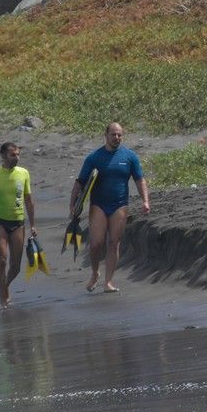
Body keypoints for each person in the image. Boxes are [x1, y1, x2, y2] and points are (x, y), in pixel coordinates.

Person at [70, 122, 149, 293]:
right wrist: (73, 205)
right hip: (98, 204)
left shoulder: (130, 156)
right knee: (97, 243)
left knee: (114, 243)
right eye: (113, 134)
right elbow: (80, 183)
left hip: (119, 204)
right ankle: (94, 273)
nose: (117, 138)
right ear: (106, 135)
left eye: (119, 134)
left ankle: (108, 282)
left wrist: (145, 201)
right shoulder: (94, 158)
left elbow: (139, 180)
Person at [0, 142, 36, 308]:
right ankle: (4, 298)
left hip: (18, 223)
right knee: (2, 260)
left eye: (18, 154)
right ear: (3, 156)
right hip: (0, 223)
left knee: (16, 267)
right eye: (13, 155)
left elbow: (28, 200)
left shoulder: (23, 173)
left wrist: (33, 224)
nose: (17, 158)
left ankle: (4, 286)